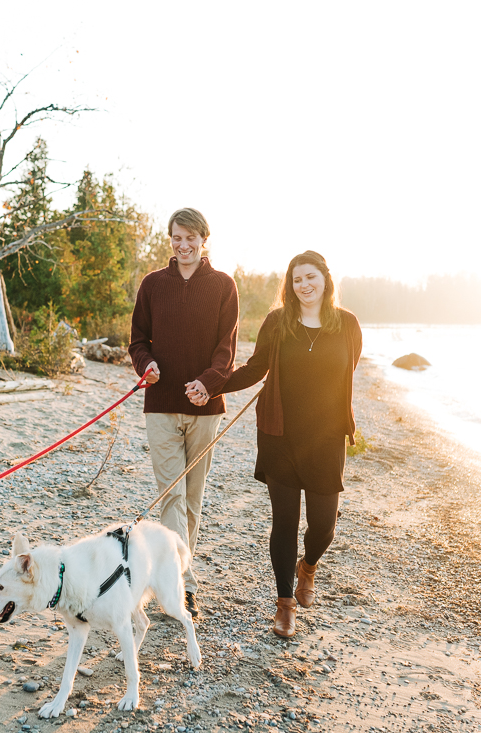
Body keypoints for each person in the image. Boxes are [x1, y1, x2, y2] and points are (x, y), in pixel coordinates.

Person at [207, 250, 361, 637]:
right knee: (285, 523)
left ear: (325, 280)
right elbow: (256, 368)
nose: (304, 285)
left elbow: (347, 369)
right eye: (296, 280)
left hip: (326, 440)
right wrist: (211, 386)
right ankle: (284, 604)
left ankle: (307, 566)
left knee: (324, 526)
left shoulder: (347, 325)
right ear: (290, 286)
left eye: (311, 277)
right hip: (280, 436)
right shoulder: (277, 322)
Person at [128, 207, 239, 619]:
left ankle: (178, 572)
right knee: (171, 496)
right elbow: (138, 340)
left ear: (204, 239)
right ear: (170, 240)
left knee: (192, 499)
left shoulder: (224, 286)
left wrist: (207, 382)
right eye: (177, 237)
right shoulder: (153, 284)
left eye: (191, 237)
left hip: (205, 408)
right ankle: (182, 585)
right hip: (160, 407)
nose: (183, 245)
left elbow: (226, 350)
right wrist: (147, 366)